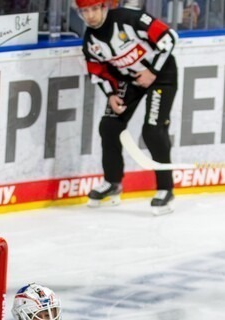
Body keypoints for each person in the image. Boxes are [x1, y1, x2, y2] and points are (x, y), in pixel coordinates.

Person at [77, 0, 179, 216]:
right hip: (130, 80)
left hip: (161, 76)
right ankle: (113, 182)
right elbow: (98, 71)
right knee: (109, 126)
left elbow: (169, 38)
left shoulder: (129, 18)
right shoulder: (90, 41)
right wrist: (111, 95)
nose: (90, 16)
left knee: (152, 131)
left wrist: (152, 71)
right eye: (85, 11)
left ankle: (165, 188)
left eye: (94, 9)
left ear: (104, 7)